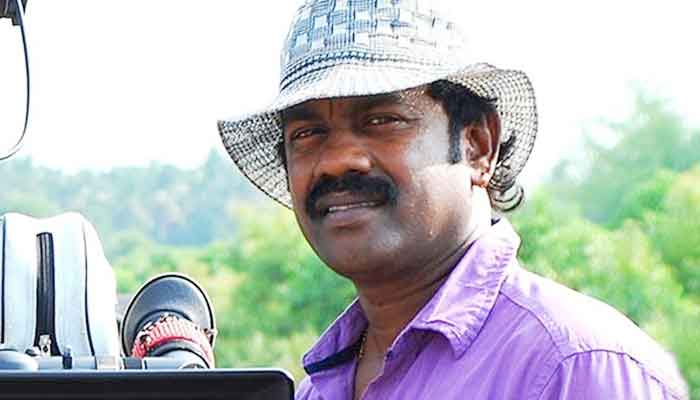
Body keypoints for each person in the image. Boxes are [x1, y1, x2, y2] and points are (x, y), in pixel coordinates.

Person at [217, 1, 689, 398]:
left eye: (382, 121)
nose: (338, 161)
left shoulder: (575, 369)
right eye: (307, 133)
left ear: (478, 146)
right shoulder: (319, 389)